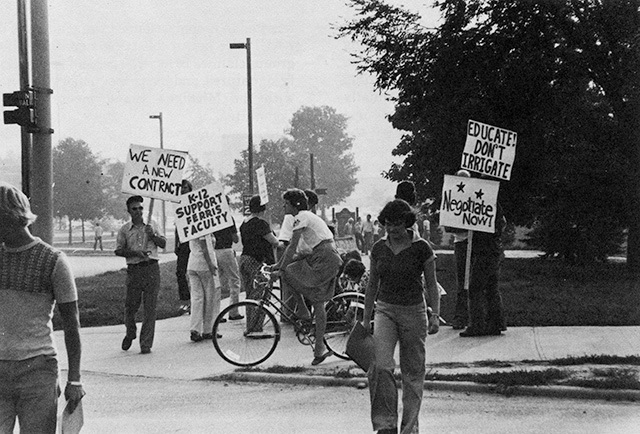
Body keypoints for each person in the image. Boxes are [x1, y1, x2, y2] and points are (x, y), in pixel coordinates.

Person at [0, 182, 85, 433]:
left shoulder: (53, 260)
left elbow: (72, 324)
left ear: (9, 219)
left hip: (38, 371)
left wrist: (75, 380)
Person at [363, 199, 440, 434]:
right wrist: (366, 318)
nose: (392, 230)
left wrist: (435, 314)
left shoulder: (422, 247)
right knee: (381, 366)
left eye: (397, 224)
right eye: (387, 224)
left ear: (407, 223)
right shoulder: (378, 248)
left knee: (413, 373)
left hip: (414, 312)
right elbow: (372, 285)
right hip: (385, 309)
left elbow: (432, 284)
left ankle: (409, 428)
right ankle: (386, 424)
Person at [274, 189, 342, 366]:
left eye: (286, 203)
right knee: (290, 271)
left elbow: (292, 246)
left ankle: (319, 346)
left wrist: (281, 268)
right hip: (320, 255)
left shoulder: (301, 217)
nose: (283, 206)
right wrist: (279, 266)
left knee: (318, 302)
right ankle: (304, 312)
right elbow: (297, 251)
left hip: (324, 257)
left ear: (294, 204)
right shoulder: (304, 217)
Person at [115, 195, 167, 354]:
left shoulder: (152, 225)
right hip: (134, 270)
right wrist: (135, 253)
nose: (138, 211)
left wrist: (153, 236)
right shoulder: (124, 229)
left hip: (151, 268)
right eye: (134, 209)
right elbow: (118, 250)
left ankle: (146, 343)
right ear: (129, 211)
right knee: (130, 307)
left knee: (150, 308)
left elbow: (164, 244)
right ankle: (130, 332)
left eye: (140, 208)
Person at [459, 182, 508, 337]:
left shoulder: (480, 207)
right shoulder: (494, 206)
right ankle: (496, 324)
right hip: (494, 249)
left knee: (475, 288)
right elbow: (503, 223)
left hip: (484, 251)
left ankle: (477, 325)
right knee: (492, 287)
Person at [239, 196, 279, 333]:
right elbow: (274, 241)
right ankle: (256, 327)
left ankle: (250, 326)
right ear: (263, 208)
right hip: (257, 260)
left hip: (244, 258)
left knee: (250, 294)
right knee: (260, 294)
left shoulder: (244, 223)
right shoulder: (260, 224)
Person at [444, 170, 471, 330]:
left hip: (476, 244)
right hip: (461, 243)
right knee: (462, 282)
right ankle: (461, 317)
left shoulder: (477, 198)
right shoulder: (453, 200)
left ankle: (471, 316)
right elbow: (449, 226)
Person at [213, 198, 243, 321]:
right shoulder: (228, 218)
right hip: (226, 249)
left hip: (213, 251)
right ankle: (233, 311)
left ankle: (215, 314)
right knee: (234, 281)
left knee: (216, 283)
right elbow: (235, 239)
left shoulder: (211, 218)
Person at [187, 232, 219, 342]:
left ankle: (195, 329)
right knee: (210, 298)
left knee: (196, 298)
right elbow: (205, 248)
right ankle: (208, 329)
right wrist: (211, 264)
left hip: (192, 264)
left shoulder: (193, 229)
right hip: (204, 265)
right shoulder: (204, 230)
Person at [175, 179, 193, 314]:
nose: (183, 190)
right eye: (181, 188)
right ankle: (185, 300)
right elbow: (177, 227)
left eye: (185, 187)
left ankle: (194, 301)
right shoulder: (178, 205)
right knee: (180, 273)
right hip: (183, 245)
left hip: (193, 243)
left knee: (193, 273)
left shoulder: (194, 203)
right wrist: (177, 243)